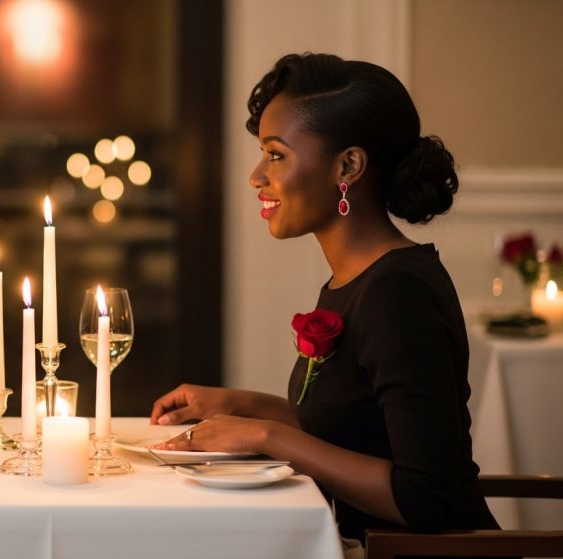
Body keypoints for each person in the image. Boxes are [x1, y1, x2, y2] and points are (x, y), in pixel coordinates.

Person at [150, 53, 499, 545]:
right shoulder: (357, 279)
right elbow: (352, 428)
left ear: (348, 166)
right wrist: (240, 404)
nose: (256, 176)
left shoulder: (398, 292)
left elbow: (429, 497)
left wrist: (265, 436)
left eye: (276, 155)